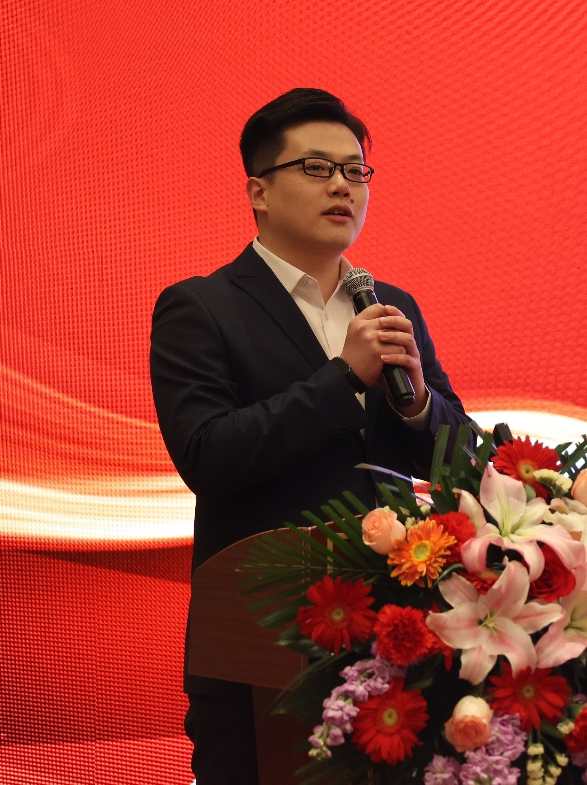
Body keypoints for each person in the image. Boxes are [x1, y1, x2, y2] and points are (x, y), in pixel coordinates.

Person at [149, 88, 467, 785]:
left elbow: (464, 461)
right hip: (262, 644)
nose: (342, 186)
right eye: (317, 168)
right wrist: (342, 377)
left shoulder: (390, 306)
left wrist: (419, 407)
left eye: (355, 171)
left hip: (399, 643)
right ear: (258, 191)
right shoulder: (200, 307)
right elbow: (208, 455)